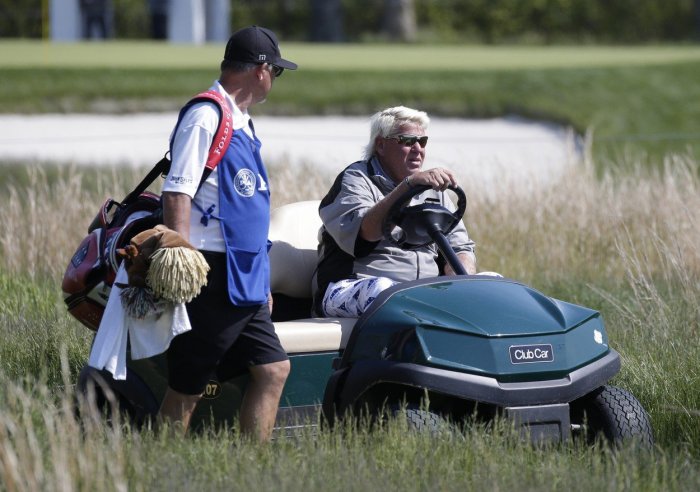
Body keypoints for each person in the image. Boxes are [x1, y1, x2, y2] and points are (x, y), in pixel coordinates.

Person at [159, 26, 297, 439]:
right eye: (276, 70)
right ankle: (160, 462)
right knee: (188, 385)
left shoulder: (243, 121)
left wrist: (261, 278)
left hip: (245, 276)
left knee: (273, 369)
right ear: (260, 70)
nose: (275, 78)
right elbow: (177, 193)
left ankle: (252, 467)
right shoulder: (207, 115)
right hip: (209, 273)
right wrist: (181, 266)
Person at [315, 106, 478, 318]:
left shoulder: (434, 190)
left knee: (493, 285)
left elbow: (460, 247)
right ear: (381, 145)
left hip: (419, 291)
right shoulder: (356, 179)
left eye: (423, 141)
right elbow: (365, 234)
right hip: (350, 286)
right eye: (408, 141)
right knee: (387, 292)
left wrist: (460, 279)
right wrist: (408, 187)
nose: (418, 149)